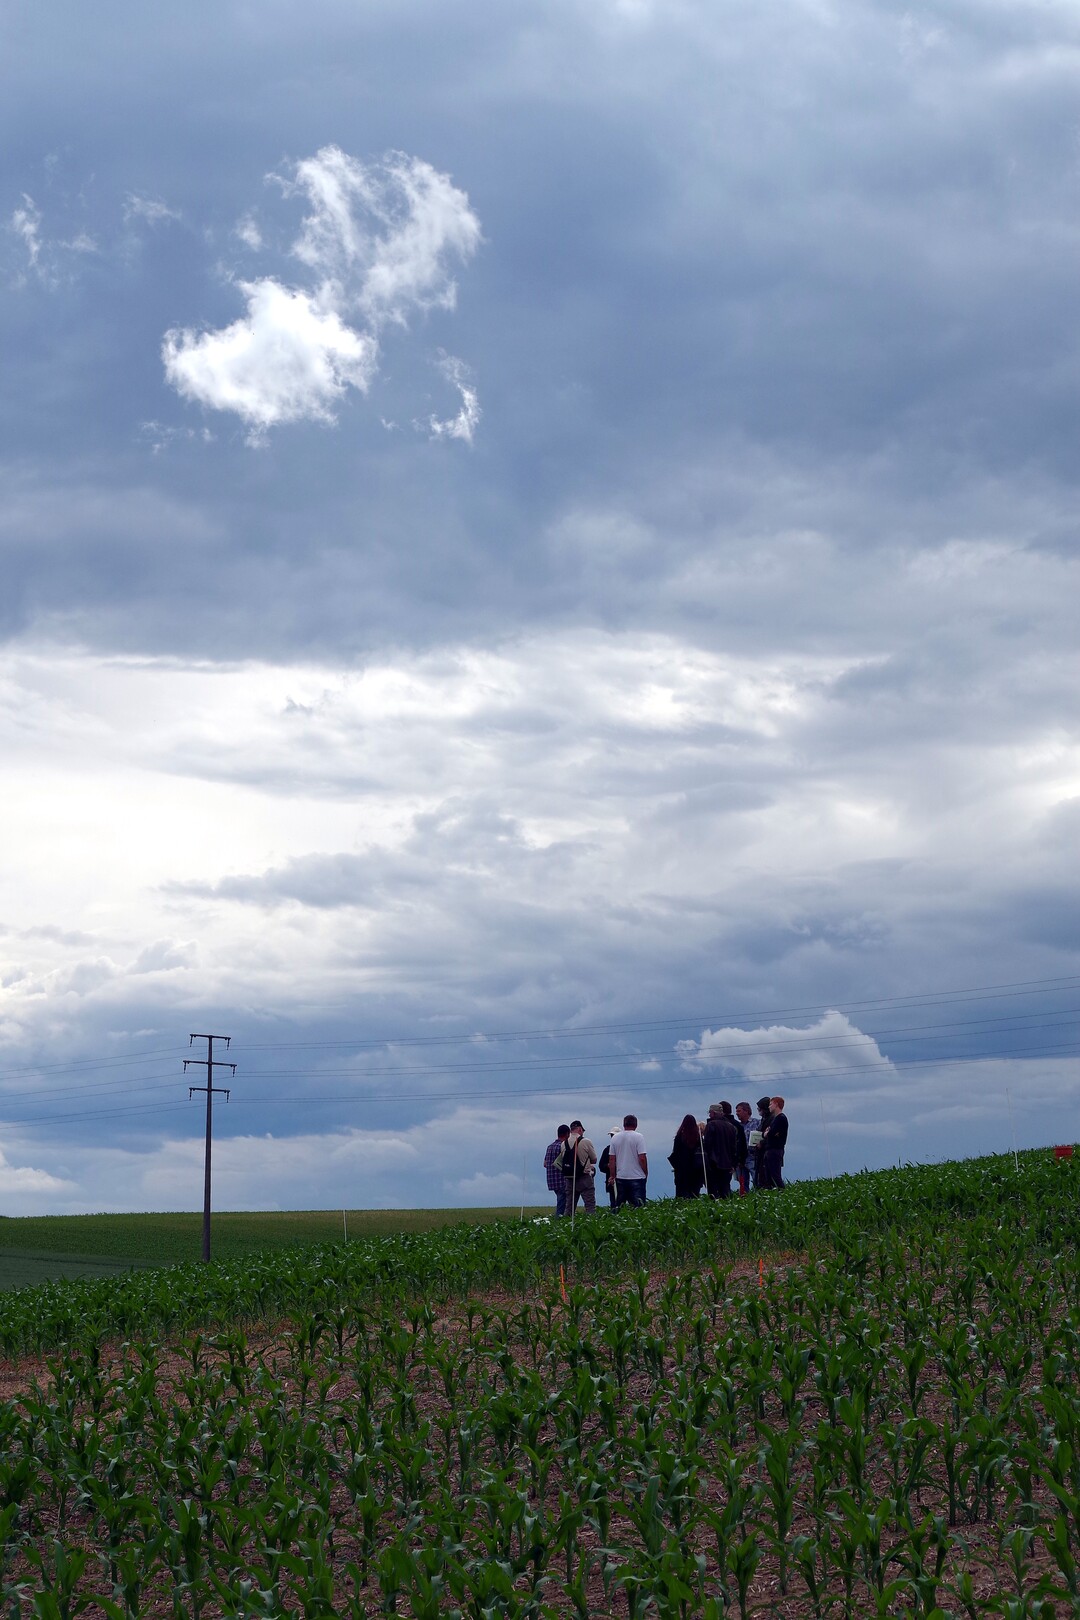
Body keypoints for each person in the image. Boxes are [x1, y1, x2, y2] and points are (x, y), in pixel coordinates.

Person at [609, 1113, 648, 1208]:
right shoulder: (639, 1137)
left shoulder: (615, 1138)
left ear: (624, 1124)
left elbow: (612, 1159)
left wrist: (613, 1175)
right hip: (637, 1177)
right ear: (636, 1125)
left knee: (620, 1207)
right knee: (638, 1208)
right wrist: (645, 1172)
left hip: (621, 1177)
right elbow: (642, 1158)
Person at [703, 1102, 740, 1198]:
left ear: (713, 1113)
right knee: (725, 1189)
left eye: (710, 1113)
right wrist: (733, 1164)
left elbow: (707, 1145)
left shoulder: (711, 1125)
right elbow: (734, 1147)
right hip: (728, 1164)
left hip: (714, 1163)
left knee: (713, 1191)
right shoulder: (731, 1126)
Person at [563, 1119, 598, 1214]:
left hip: (569, 1179)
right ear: (579, 1129)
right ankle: (591, 1226)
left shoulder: (564, 1144)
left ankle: (567, 1225)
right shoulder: (586, 1141)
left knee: (569, 1207)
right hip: (584, 1177)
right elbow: (594, 1159)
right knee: (590, 1206)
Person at [668, 1113, 705, 1199]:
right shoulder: (698, 1138)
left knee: (681, 1194)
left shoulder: (679, 1137)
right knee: (694, 1193)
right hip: (696, 1170)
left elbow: (675, 1153)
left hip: (682, 1170)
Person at [761, 1096, 789, 1190]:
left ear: (776, 1104)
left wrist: (768, 1133)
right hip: (770, 1149)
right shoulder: (775, 1119)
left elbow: (772, 1133)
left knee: (775, 1175)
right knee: (768, 1176)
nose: (769, 1107)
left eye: (770, 1104)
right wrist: (768, 1133)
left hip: (775, 1149)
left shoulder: (781, 1118)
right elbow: (770, 1133)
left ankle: (782, 1191)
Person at [544, 1124, 571, 1218]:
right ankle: (558, 1222)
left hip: (552, 1181)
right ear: (567, 1134)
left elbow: (545, 1164)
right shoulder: (563, 1146)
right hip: (561, 1180)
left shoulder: (549, 1147)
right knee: (562, 1205)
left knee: (561, 1201)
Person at [735, 1102, 758, 1194]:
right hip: (741, 1159)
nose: (737, 1113)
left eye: (739, 1111)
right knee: (743, 1183)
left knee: (756, 1178)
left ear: (746, 1111)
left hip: (752, 1156)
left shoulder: (757, 1123)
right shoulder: (737, 1126)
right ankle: (745, 1199)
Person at [597, 1127, 620, 1210]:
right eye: (612, 1135)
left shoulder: (623, 1149)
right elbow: (601, 1166)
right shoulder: (607, 1150)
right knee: (613, 1204)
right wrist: (608, 1166)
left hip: (623, 1181)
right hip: (612, 1182)